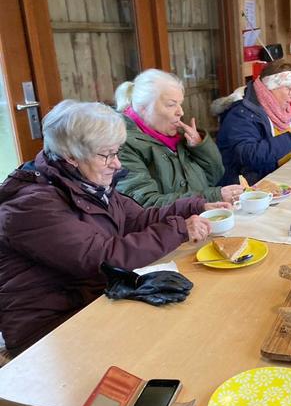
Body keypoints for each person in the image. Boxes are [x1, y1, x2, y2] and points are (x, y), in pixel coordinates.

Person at [0, 100, 226, 356]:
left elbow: (136, 220)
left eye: (117, 152)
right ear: (71, 155)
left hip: (94, 299)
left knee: (197, 318)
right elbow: (101, 257)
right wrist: (178, 229)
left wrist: (193, 207)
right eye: (107, 154)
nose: (117, 164)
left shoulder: (85, 184)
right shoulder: (32, 206)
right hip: (49, 330)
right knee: (178, 343)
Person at [114, 69, 244, 207]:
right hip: (172, 226)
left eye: (179, 104)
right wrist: (212, 197)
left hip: (199, 220)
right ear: (143, 108)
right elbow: (146, 203)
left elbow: (215, 176)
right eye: (171, 105)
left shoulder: (177, 135)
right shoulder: (121, 146)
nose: (180, 112)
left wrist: (200, 147)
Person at [216, 61, 291, 185]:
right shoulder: (241, 114)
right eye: (289, 89)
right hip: (248, 188)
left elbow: (287, 146)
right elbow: (248, 156)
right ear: (271, 87)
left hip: (278, 178)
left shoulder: (282, 111)